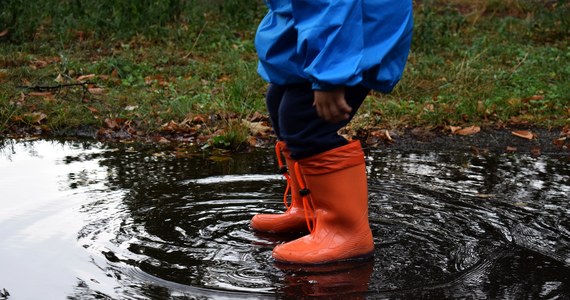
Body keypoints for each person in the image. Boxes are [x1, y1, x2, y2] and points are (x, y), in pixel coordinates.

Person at [250, 0, 414, 265]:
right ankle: (310, 209)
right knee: (279, 100)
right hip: (325, 29)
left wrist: (330, 76)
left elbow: (332, 6)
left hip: (354, 33)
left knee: (304, 121)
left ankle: (346, 233)